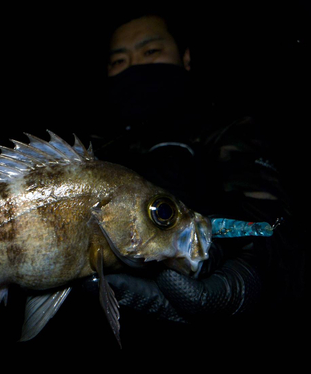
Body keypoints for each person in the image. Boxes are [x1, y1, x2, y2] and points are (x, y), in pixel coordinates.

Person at [80, 8, 303, 335]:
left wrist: (245, 279)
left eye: (151, 51)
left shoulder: (227, 130)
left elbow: (271, 224)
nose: (135, 67)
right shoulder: (92, 151)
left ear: (185, 58)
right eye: (119, 61)